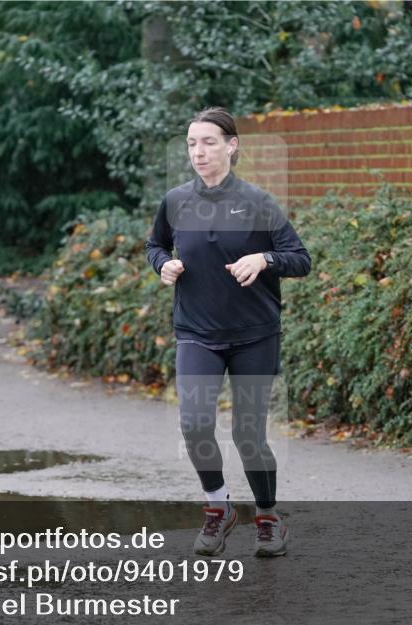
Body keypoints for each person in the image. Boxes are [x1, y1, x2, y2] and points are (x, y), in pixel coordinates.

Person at [145, 107, 311, 557]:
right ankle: (218, 509)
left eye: (209, 142)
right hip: (197, 332)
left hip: (255, 334)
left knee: (248, 436)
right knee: (195, 426)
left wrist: (265, 260)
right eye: (192, 143)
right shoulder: (177, 200)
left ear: (231, 146)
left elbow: (301, 258)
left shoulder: (258, 202)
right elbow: (154, 244)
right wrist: (164, 265)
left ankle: (268, 518)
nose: (199, 152)